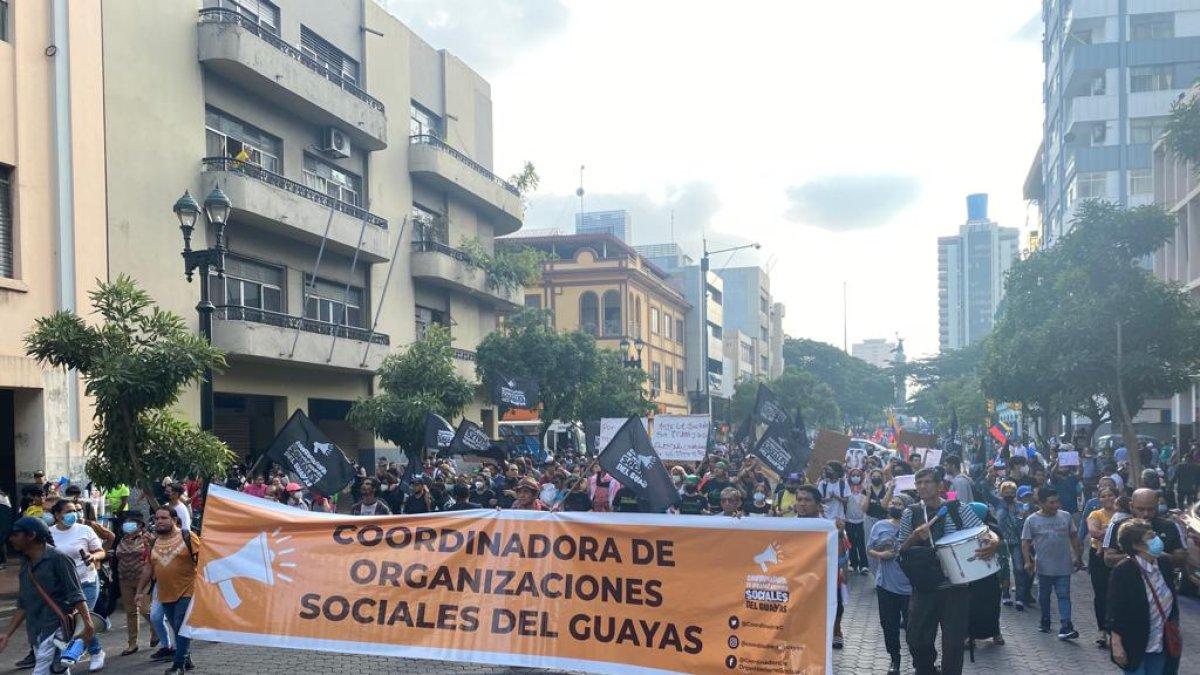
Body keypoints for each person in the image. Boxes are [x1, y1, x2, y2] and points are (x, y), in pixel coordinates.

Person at [898, 468, 996, 675]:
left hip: (956, 588)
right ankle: (926, 669)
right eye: (919, 483)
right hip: (924, 587)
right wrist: (915, 537)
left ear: (940, 486)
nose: (922, 487)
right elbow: (901, 550)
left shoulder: (958, 509)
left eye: (927, 482)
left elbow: (984, 532)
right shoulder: (911, 513)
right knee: (916, 639)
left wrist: (992, 542)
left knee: (953, 644)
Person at [0, 517, 95, 675]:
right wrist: (7, 634)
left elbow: (76, 594)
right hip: (36, 631)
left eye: (15, 534)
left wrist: (88, 624)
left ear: (31, 535)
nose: (11, 539)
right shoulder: (26, 563)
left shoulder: (58, 559)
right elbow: (24, 603)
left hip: (55, 628)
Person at [1107, 519, 1181, 675]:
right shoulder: (1124, 571)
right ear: (1136, 545)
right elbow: (1115, 610)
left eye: (1154, 535)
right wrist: (1116, 642)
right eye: (1150, 537)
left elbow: (1172, 599)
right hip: (1136, 641)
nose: (1156, 540)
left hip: (1161, 641)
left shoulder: (1164, 563)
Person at [137, 507, 198, 675]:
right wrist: (139, 591)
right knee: (176, 627)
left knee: (180, 625)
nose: (159, 521)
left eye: (164, 518)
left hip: (187, 590)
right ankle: (186, 657)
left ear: (174, 520)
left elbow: (202, 561)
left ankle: (178, 665)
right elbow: (148, 567)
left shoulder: (188, 536)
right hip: (164, 593)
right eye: (156, 518)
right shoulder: (154, 541)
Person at [48, 499, 107, 670]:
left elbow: (101, 551)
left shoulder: (85, 530)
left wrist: (93, 557)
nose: (73, 514)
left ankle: (80, 654)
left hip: (86, 581)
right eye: (68, 511)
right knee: (73, 622)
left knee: (83, 619)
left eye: (75, 510)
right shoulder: (49, 533)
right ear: (57, 515)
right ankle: (96, 650)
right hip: (63, 586)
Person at [1021, 486, 1084, 640]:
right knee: (1044, 596)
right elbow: (1025, 542)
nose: (1056, 505)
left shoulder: (1066, 516)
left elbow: (1074, 537)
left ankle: (1066, 625)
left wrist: (1078, 556)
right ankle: (1045, 620)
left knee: (1064, 596)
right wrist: (1027, 561)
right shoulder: (1032, 520)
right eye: (1051, 502)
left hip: (1064, 565)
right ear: (1041, 503)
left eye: (1057, 502)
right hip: (1043, 567)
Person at [867, 494, 912, 675]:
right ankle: (895, 659)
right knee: (889, 625)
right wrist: (880, 555)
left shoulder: (914, 526)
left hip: (911, 587)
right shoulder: (880, 526)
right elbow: (869, 549)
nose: (894, 505)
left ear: (907, 508)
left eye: (899, 503)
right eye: (893, 502)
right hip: (886, 585)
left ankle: (920, 659)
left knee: (914, 626)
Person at [1103, 489, 1187, 570]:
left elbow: (1182, 556)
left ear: (1157, 506)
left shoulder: (1170, 526)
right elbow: (1108, 559)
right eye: (1140, 509)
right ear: (1131, 506)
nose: (1146, 514)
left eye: (1151, 509)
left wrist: (1159, 556)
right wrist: (1141, 556)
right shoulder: (1116, 526)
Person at [113, 510, 152, 656]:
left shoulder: (147, 539)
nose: (128, 525)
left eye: (132, 522)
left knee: (145, 609)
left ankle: (156, 630)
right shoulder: (120, 539)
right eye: (126, 522)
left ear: (140, 525)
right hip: (125, 579)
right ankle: (132, 643)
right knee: (130, 612)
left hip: (143, 579)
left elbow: (151, 557)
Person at [1085, 486, 1118, 648]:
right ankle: (1103, 630)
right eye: (1103, 496)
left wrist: (1106, 530)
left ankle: (1116, 632)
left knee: (1118, 593)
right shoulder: (1095, 514)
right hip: (1098, 557)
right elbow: (1094, 532)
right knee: (1101, 593)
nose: (1107, 499)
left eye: (1110, 495)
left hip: (1118, 556)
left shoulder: (1122, 514)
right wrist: (1114, 530)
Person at [845, 469, 868, 573]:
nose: (855, 477)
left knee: (861, 543)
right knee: (851, 543)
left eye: (858, 475)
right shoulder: (846, 489)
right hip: (848, 520)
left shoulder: (865, 489)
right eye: (853, 475)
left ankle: (864, 565)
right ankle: (854, 564)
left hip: (861, 520)